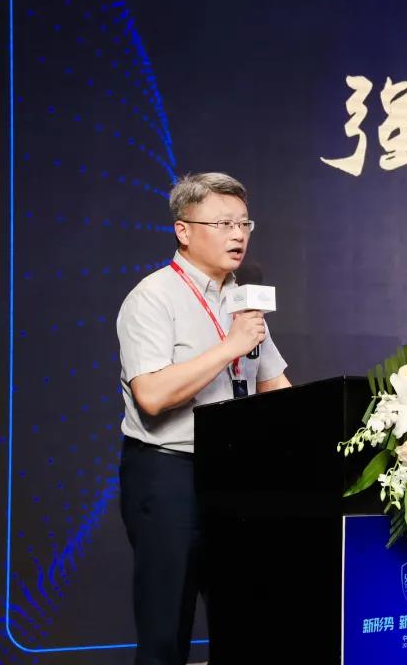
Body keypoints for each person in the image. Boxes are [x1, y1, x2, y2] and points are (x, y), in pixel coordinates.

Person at [115, 172, 291, 664]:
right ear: (184, 230)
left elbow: (274, 385)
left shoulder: (242, 300)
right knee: (166, 627)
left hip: (236, 476)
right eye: (223, 223)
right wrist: (231, 346)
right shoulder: (152, 297)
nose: (238, 235)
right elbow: (152, 395)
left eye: (244, 223)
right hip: (170, 473)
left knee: (245, 618)